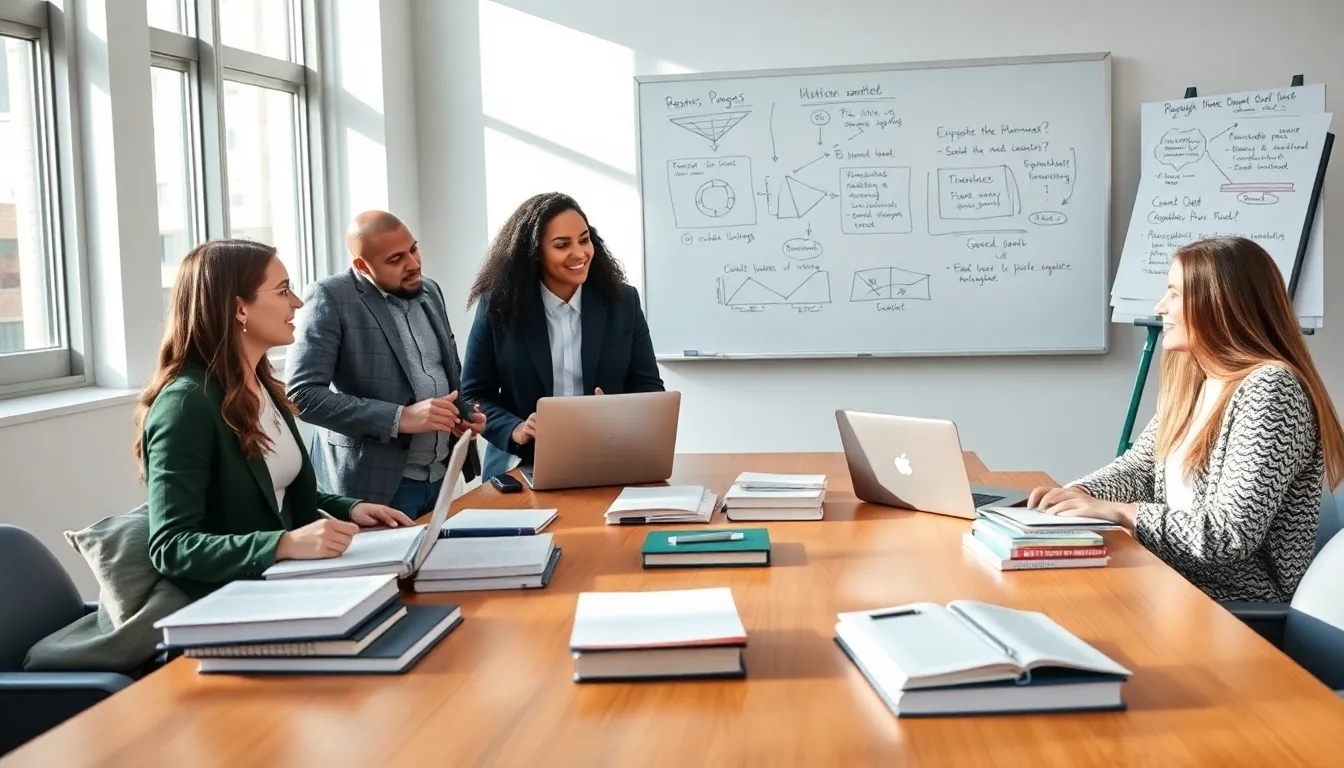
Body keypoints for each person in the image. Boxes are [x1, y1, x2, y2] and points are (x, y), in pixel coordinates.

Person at [1030, 236, 1344, 603]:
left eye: (1175, 294)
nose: (1160, 307)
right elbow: (1140, 468)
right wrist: (1077, 495)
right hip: (1174, 580)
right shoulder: (1196, 377)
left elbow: (1228, 535)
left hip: (1237, 604)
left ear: (1219, 303)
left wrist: (1118, 512)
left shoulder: (1271, 389)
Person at [135, 239, 415, 599]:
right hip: (238, 600)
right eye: (284, 291)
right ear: (240, 309)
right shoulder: (185, 405)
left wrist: (351, 507)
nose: (297, 303)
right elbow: (171, 547)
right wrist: (282, 544)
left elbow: (274, 493)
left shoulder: (262, 383)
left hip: (288, 583)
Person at [286, 211, 485, 519]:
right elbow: (302, 395)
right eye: (395, 260)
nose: (413, 264)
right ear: (362, 266)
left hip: (441, 477)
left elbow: (444, 370)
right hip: (375, 488)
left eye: (414, 249)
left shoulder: (429, 290)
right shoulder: (330, 297)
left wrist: (464, 414)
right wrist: (398, 418)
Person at [460, 192, 664, 479]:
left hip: (607, 458)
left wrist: (619, 415)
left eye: (584, 240)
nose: (580, 253)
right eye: (562, 245)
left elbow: (649, 389)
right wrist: (516, 429)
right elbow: (474, 394)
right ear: (534, 252)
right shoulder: (499, 306)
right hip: (520, 464)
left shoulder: (622, 302)